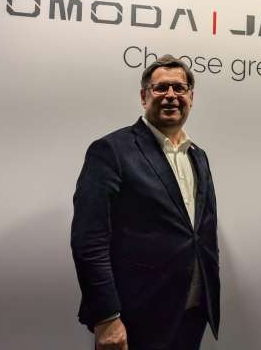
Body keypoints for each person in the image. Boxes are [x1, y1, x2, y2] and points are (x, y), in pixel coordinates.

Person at [71, 55, 220, 350]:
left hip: (192, 313)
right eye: (161, 88)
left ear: (191, 97)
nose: (171, 95)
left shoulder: (198, 155)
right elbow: (89, 242)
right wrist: (106, 317)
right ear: (144, 96)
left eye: (179, 88)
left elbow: (201, 232)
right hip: (135, 318)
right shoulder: (111, 151)